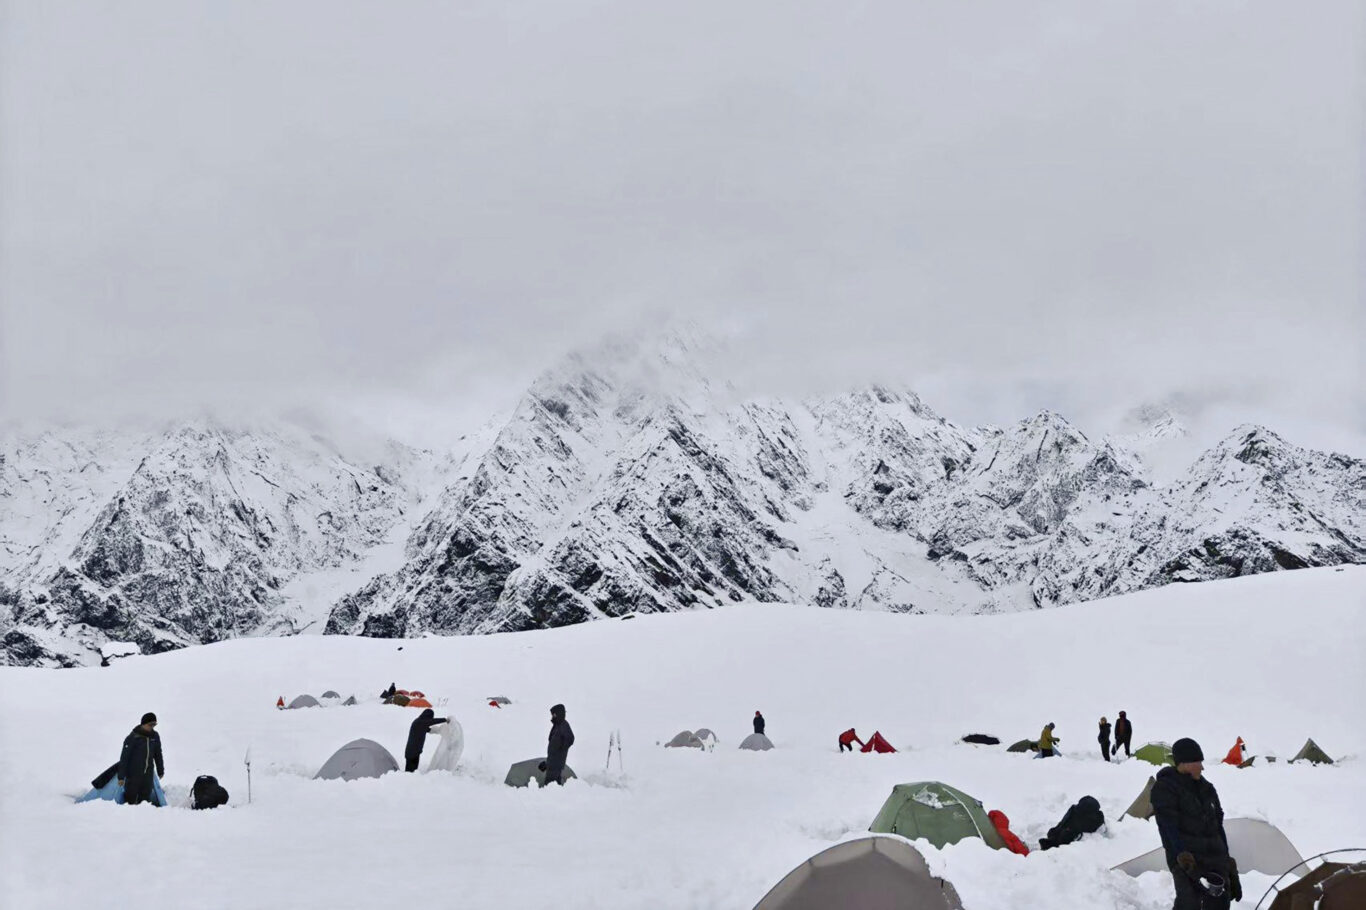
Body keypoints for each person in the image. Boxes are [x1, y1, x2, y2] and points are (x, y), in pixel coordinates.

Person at [1151, 738, 1240, 909]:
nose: (1202, 767)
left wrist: (1228, 862)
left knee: (1220, 904)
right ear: (1185, 763)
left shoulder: (1208, 789)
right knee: (1189, 904)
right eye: (1198, 762)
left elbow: (1218, 827)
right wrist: (1182, 857)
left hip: (1216, 859)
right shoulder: (1165, 788)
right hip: (1187, 861)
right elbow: (1168, 827)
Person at [118, 712, 164, 806]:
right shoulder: (133, 737)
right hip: (133, 774)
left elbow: (158, 754)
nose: (152, 727)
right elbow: (124, 757)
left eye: (154, 725)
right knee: (130, 799)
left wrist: (160, 770)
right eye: (150, 724)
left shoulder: (155, 736)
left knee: (145, 800)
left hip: (148, 773)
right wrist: (121, 776)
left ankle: (143, 814)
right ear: (143, 724)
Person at [404, 708, 449, 772]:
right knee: (409, 772)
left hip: (415, 751)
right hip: (412, 752)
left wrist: (438, 730)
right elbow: (432, 721)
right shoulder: (419, 722)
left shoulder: (420, 723)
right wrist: (445, 720)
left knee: (413, 771)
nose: (430, 719)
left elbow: (428, 729)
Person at [542, 703, 574, 786]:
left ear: (559, 714)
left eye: (554, 715)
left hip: (556, 765)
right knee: (553, 786)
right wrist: (547, 763)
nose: (552, 717)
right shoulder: (557, 726)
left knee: (550, 787)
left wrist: (561, 747)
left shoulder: (563, 725)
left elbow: (570, 739)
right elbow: (553, 748)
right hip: (552, 764)